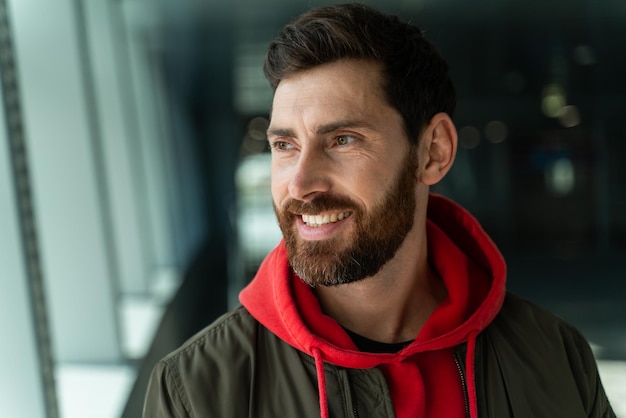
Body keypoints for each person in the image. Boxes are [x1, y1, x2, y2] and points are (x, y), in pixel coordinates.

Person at [143, 3, 616, 417]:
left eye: (343, 140)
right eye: (285, 145)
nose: (302, 184)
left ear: (433, 152)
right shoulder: (196, 392)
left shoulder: (555, 358)